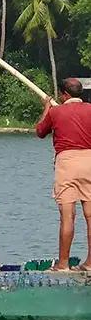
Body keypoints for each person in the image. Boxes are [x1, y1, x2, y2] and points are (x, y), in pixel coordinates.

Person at [36, 78, 91, 271]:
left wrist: (46, 108)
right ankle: (90, 263)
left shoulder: (55, 111)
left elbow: (40, 131)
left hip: (67, 162)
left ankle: (63, 264)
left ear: (64, 94)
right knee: (90, 215)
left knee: (67, 216)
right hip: (89, 160)